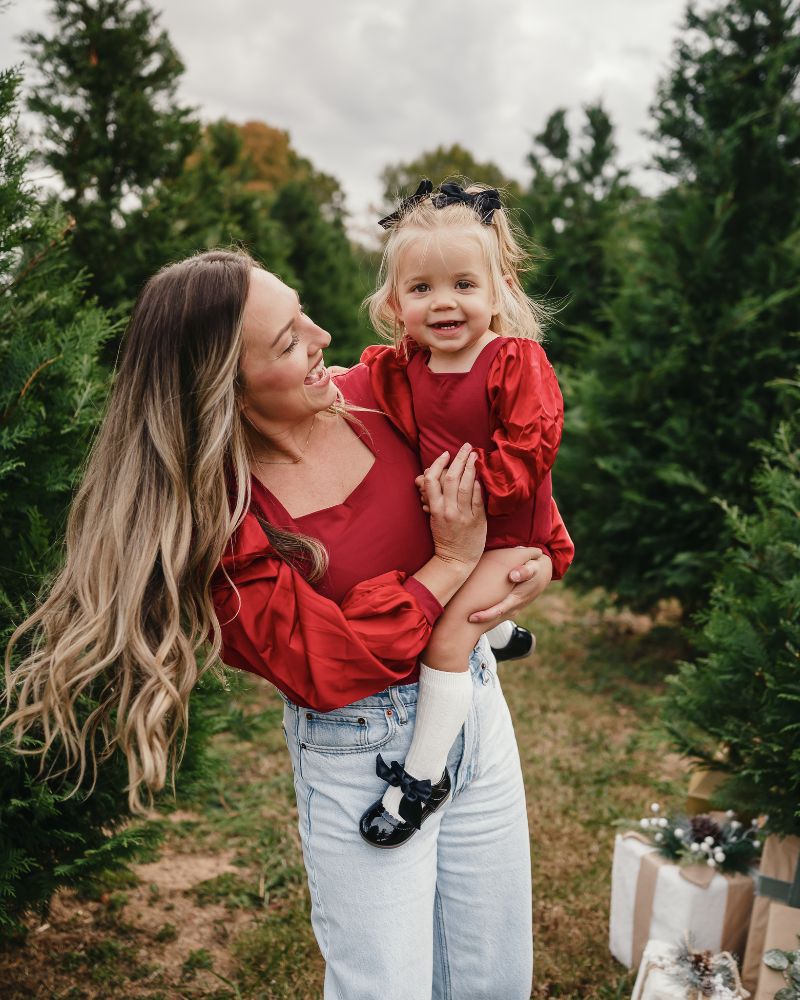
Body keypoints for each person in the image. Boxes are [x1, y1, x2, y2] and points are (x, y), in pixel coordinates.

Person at [2, 248, 556, 1000]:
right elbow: (322, 664)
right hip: (364, 750)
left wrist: (539, 555)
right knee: (385, 988)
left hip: (473, 705)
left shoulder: (382, 396)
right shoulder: (221, 519)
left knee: (494, 977)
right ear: (222, 387)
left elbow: (510, 456)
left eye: (302, 315)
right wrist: (450, 566)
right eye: (289, 340)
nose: (323, 334)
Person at [356, 179, 574, 844]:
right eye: (421, 289)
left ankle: (421, 780)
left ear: (498, 287)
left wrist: (471, 499)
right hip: (452, 532)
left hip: (506, 533)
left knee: (446, 640)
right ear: (396, 303)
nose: (443, 302)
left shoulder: (514, 360)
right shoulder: (410, 366)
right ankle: (501, 633)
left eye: (462, 285)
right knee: (441, 598)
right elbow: (363, 389)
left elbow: (532, 444)